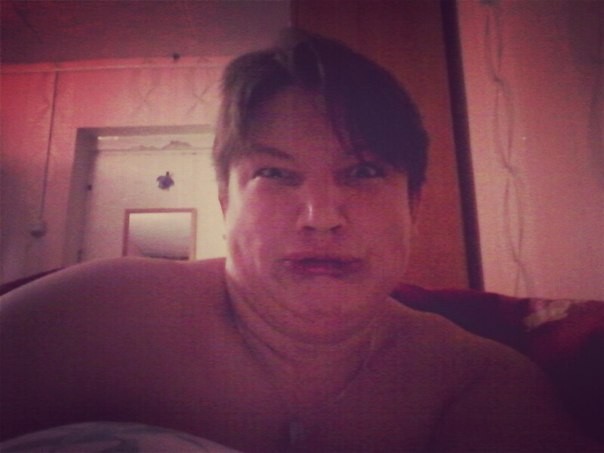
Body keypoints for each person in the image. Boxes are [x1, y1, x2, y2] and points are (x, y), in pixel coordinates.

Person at [0, 29, 596, 452]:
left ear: (414, 204)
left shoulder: (474, 383)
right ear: (226, 202)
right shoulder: (109, 316)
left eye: (363, 171)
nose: (321, 218)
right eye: (276, 174)